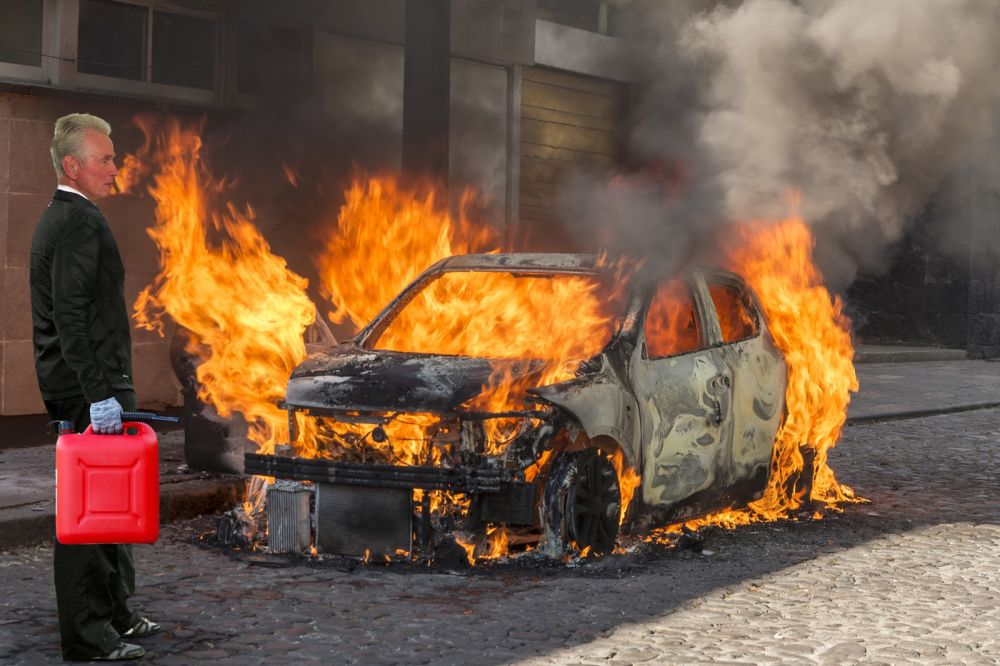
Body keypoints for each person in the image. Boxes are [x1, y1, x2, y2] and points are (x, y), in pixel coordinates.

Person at [30, 113, 160, 661]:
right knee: (88, 515)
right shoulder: (77, 222)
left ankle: (117, 614)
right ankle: (88, 636)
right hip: (90, 390)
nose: (114, 168)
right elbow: (70, 316)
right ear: (73, 166)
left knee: (112, 508)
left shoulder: (65, 216)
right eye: (104, 159)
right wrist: (99, 394)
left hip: (93, 386)